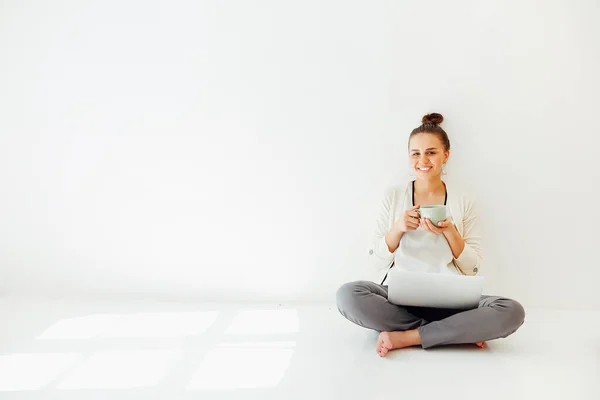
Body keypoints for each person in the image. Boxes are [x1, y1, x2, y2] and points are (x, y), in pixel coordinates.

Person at [336, 113, 525, 357]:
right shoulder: (393, 196)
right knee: (348, 295)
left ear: (446, 156)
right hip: (399, 300)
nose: (423, 160)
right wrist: (398, 228)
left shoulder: (464, 200)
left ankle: (408, 336)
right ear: (409, 157)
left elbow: (472, 268)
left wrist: (450, 231)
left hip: (451, 302)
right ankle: (455, 333)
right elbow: (375, 262)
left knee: (510, 310)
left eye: (431, 152)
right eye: (415, 153)